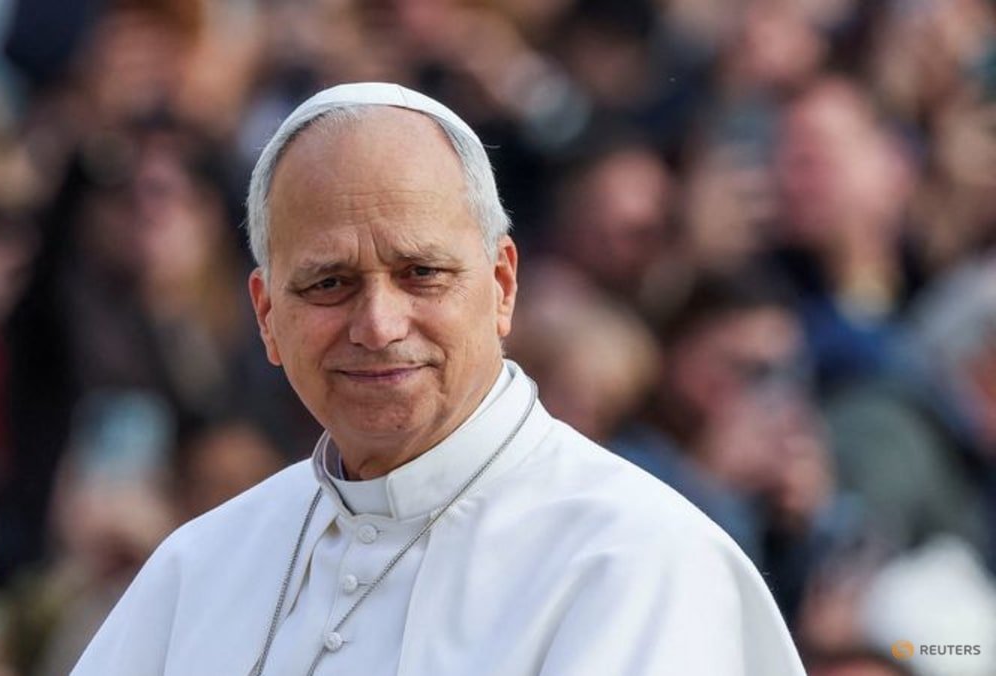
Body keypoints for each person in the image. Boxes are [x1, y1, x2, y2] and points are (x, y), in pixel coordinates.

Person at [72, 82, 804, 675]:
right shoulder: (199, 567)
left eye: (421, 273)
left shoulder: (637, 561)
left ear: (502, 285)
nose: (378, 325)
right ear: (266, 316)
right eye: (329, 284)